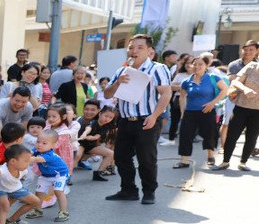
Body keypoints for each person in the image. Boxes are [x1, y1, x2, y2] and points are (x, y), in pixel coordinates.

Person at [102, 34, 172, 205]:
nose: (134, 51)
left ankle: (149, 192)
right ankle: (128, 190)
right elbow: (107, 94)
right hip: (125, 121)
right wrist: (118, 83)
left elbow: (166, 93)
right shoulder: (121, 70)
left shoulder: (157, 68)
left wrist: (155, 116)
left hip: (146, 120)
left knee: (146, 159)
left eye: (140, 47)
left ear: (150, 51)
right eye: (131, 47)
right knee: (121, 157)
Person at [174, 55, 227, 170]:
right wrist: (183, 112)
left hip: (207, 111)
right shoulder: (186, 81)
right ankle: (184, 160)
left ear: (206, 66)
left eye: (200, 64)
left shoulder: (213, 78)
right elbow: (182, 97)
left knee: (210, 135)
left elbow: (224, 90)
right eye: (195, 64)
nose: (197, 66)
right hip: (190, 113)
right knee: (185, 135)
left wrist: (213, 103)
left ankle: (210, 156)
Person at [219, 59, 259, 171]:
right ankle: (225, 162)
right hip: (241, 107)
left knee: (252, 137)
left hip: (257, 111)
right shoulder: (251, 66)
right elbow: (235, 82)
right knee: (232, 135)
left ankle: (243, 163)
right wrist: (245, 89)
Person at [27, 130, 69, 222]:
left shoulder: (50, 155)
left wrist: (23, 158)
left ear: (53, 145)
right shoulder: (36, 150)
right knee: (39, 192)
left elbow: (36, 159)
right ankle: (38, 210)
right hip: (46, 175)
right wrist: (26, 154)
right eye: (38, 141)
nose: (39, 145)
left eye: (44, 143)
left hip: (60, 174)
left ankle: (63, 212)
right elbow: (29, 153)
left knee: (58, 191)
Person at [76, 104, 118, 179]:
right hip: (81, 143)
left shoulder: (107, 127)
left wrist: (91, 137)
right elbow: (88, 128)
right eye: (106, 116)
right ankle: (67, 176)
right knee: (77, 155)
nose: (107, 119)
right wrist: (84, 135)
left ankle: (98, 173)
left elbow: (97, 136)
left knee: (111, 154)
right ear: (100, 114)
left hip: (91, 145)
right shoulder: (93, 121)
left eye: (110, 117)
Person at [165, 55, 193, 145]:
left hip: (191, 100)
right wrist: (182, 87)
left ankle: (187, 141)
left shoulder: (197, 76)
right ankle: (171, 139)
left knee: (189, 121)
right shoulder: (180, 75)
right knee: (174, 120)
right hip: (177, 99)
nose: (189, 65)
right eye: (187, 63)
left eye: (191, 63)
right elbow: (171, 87)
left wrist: (180, 87)